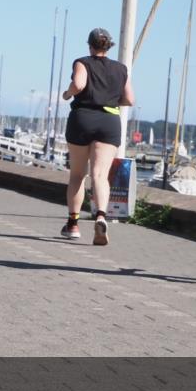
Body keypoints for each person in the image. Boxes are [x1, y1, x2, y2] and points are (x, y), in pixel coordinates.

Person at [61, 28, 135, 245]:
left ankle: (73, 224)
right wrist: (110, 100)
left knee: (77, 175)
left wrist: (67, 94)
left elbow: (79, 85)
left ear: (90, 45)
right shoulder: (121, 69)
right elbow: (130, 99)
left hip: (83, 118)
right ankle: (101, 215)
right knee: (100, 175)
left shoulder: (82, 62)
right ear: (108, 46)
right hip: (109, 122)